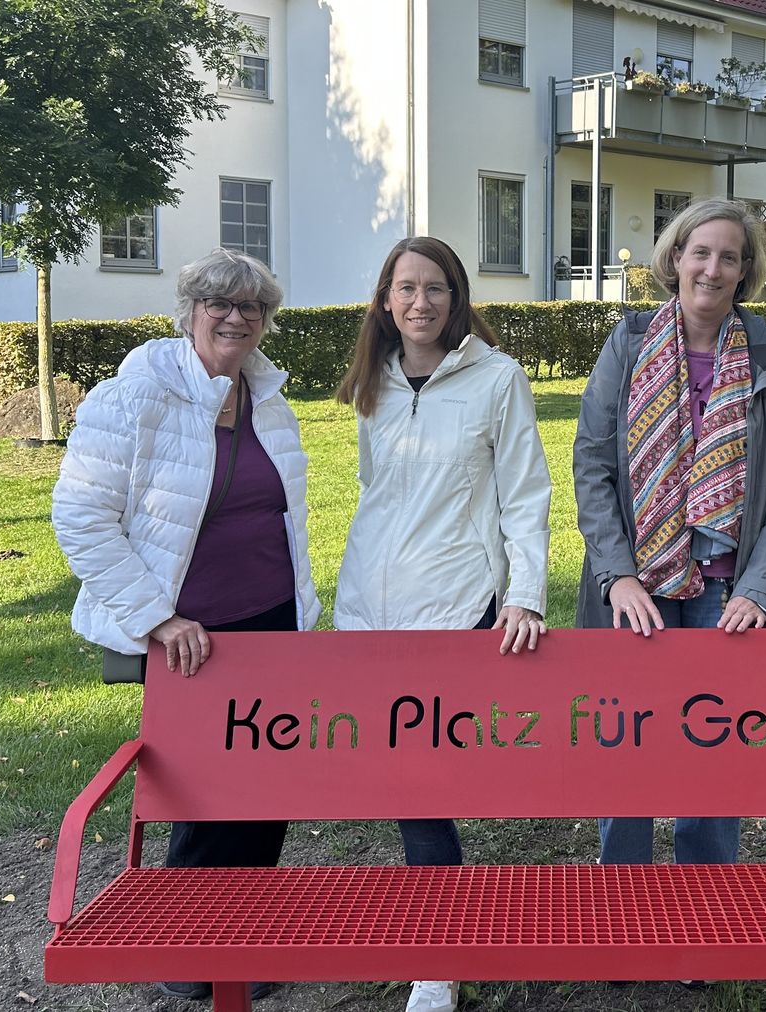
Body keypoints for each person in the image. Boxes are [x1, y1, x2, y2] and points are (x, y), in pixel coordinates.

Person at [52, 247, 321, 1002]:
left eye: (251, 306)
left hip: (271, 623)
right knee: (203, 797)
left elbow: (283, 515)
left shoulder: (266, 396)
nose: (235, 317)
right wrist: (157, 618)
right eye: (218, 303)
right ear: (190, 311)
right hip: (189, 639)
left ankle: (242, 942)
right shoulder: (136, 393)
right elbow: (81, 518)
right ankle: (186, 948)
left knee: (265, 789)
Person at [332, 236, 551, 1012]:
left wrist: (525, 594)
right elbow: (374, 491)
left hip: (456, 605)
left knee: (421, 778)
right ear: (385, 300)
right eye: (406, 287)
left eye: (435, 288)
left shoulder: (497, 378)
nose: (420, 301)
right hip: (371, 608)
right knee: (405, 780)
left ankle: (439, 954)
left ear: (456, 298)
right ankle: (442, 930)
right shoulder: (376, 381)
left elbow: (525, 494)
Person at [573, 197, 766, 869]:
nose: (712, 268)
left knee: (713, 746)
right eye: (700, 252)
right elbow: (592, 464)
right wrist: (617, 576)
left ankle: (703, 899)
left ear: (745, 271)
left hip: (728, 593)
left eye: (728, 257)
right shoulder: (628, 345)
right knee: (628, 741)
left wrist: (761, 590)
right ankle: (624, 893)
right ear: (676, 257)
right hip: (638, 587)